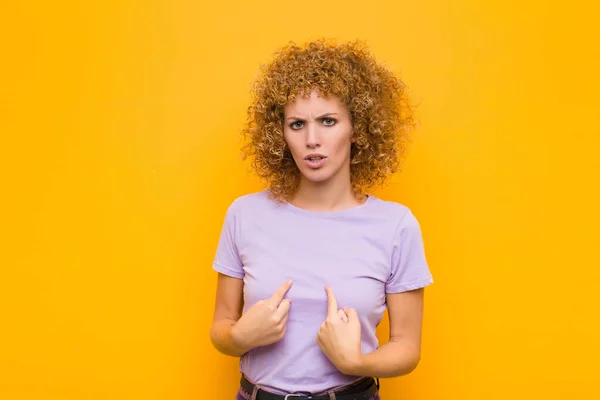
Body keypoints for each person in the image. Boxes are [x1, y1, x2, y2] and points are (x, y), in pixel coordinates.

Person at [209, 39, 434, 400]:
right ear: (280, 135)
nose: (312, 140)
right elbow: (221, 325)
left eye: (328, 121)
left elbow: (407, 347)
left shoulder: (396, 225)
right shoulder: (244, 215)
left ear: (357, 129)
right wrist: (239, 339)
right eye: (297, 124)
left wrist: (357, 362)